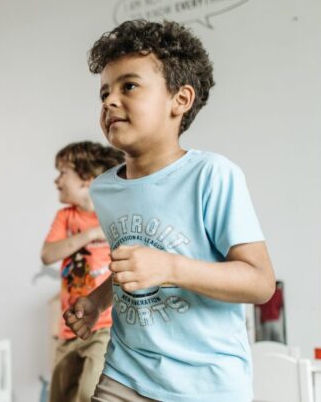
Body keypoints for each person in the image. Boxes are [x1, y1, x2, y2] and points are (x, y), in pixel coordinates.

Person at [65, 20, 276, 402]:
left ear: (180, 100)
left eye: (128, 86)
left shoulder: (212, 175)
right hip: (125, 374)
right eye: (104, 93)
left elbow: (260, 282)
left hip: (207, 385)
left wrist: (169, 267)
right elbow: (131, 266)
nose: (110, 101)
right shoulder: (105, 189)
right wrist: (97, 302)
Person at [41, 141, 123, 402]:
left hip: (103, 325)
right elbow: (48, 254)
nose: (57, 181)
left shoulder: (114, 215)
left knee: (90, 392)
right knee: (60, 396)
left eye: (63, 172)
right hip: (68, 327)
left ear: (86, 179)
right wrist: (90, 234)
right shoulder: (66, 217)